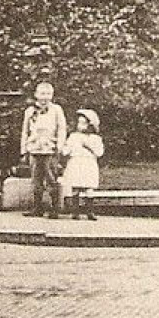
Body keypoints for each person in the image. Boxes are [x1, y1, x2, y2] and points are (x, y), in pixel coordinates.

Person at [20, 81, 68, 219]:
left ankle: (55, 208)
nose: (45, 97)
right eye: (42, 93)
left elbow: (62, 128)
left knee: (51, 178)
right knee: (36, 180)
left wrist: (59, 146)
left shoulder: (56, 110)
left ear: (52, 95)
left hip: (50, 149)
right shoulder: (30, 111)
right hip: (34, 149)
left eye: (48, 94)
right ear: (36, 94)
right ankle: (37, 207)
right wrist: (24, 149)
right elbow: (25, 131)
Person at [60, 109, 105, 221]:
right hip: (76, 162)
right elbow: (66, 150)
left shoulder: (96, 138)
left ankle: (89, 211)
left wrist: (88, 146)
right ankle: (75, 212)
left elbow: (99, 152)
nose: (80, 125)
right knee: (75, 187)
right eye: (79, 123)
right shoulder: (74, 136)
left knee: (88, 188)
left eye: (84, 123)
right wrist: (62, 148)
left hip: (88, 163)